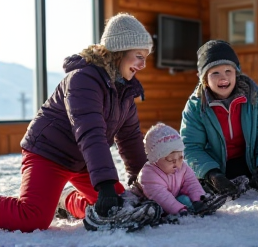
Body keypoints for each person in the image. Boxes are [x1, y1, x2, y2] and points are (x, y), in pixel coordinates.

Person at [0, 13, 153, 232]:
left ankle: (66, 201)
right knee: (32, 218)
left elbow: (130, 140)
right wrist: (105, 184)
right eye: (139, 55)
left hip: (83, 162)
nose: (143, 64)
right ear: (119, 51)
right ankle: (50, 201)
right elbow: (90, 132)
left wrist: (145, 182)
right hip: (48, 154)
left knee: (119, 205)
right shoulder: (83, 79)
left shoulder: (125, 92)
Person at [180, 40, 258, 198]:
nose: (223, 78)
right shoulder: (196, 107)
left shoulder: (254, 98)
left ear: (236, 73)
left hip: (251, 164)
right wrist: (211, 174)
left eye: (228, 71)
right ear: (204, 79)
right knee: (198, 190)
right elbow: (191, 146)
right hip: (218, 169)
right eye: (215, 73)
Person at [138, 123, 227, 216]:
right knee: (152, 208)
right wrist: (180, 210)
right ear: (155, 159)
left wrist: (199, 200)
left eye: (180, 158)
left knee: (185, 198)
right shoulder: (149, 175)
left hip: (174, 198)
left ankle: (200, 200)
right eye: (170, 160)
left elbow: (191, 183)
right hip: (152, 201)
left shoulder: (182, 167)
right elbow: (162, 197)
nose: (177, 163)